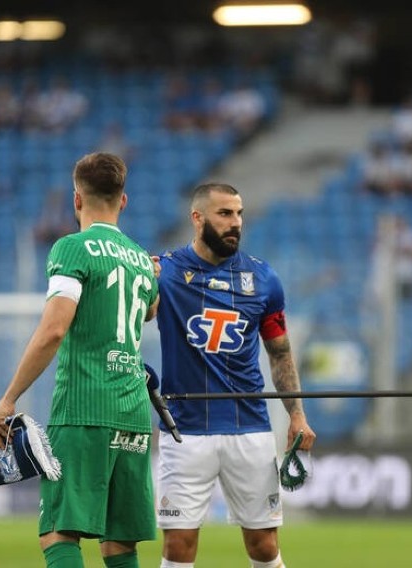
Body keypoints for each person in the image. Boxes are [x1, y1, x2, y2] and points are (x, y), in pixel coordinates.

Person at [0, 152, 160, 568]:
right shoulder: (140, 258)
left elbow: (53, 329)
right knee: (119, 542)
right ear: (124, 200)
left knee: (58, 531)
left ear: (76, 199)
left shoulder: (73, 248)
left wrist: (9, 399)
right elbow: (151, 307)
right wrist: (151, 274)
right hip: (133, 412)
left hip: (85, 406)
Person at [153, 182, 316, 568]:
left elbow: (280, 354)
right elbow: (138, 312)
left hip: (249, 428)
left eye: (239, 214)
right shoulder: (164, 272)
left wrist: (296, 414)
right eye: (225, 214)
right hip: (184, 431)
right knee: (178, 546)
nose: (236, 223)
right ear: (197, 218)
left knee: (263, 546)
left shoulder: (263, 279)